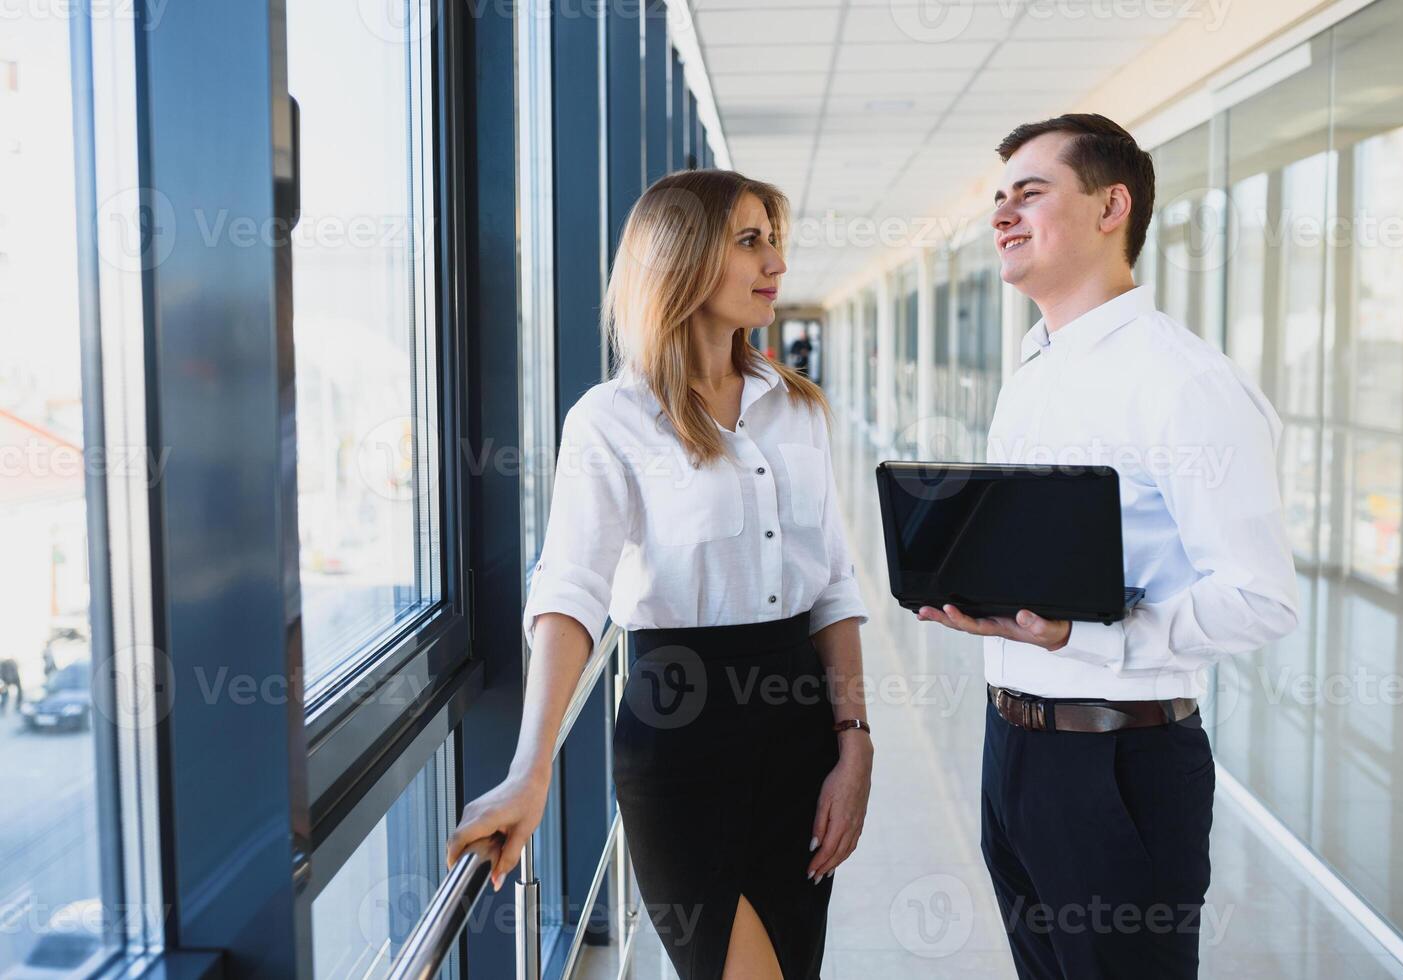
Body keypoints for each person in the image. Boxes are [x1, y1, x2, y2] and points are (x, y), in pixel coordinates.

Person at [446, 169, 873, 980]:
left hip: (800, 727)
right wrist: (529, 769)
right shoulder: (612, 419)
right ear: (679, 260)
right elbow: (571, 593)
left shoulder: (799, 408)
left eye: (774, 238)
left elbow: (835, 589)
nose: (774, 260)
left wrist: (855, 744)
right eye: (750, 240)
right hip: (682, 734)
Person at [916, 114, 1299, 978]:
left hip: (1119, 764)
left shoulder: (1182, 381)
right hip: (1013, 748)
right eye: (999, 198)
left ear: (1111, 206)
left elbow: (1260, 596)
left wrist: (1081, 638)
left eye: (1031, 191)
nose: (1003, 214)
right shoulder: (1035, 367)